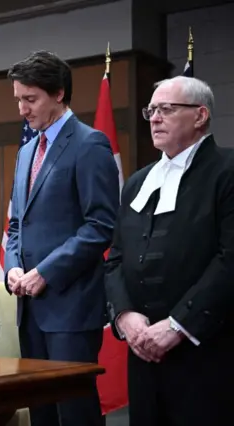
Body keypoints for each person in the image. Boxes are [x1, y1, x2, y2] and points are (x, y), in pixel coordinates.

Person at [105, 76, 233, 426]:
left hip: (204, 349)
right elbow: (116, 257)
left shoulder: (228, 171)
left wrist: (178, 326)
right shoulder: (137, 181)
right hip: (143, 349)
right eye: (151, 110)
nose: (155, 118)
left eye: (167, 109)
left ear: (200, 115)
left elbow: (230, 260)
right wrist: (125, 316)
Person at [4, 51, 119, 426]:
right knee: (41, 410)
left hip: (71, 308)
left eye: (30, 99)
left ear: (59, 93)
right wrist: (14, 266)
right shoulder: (25, 153)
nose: (22, 108)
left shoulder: (90, 144)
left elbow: (100, 225)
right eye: (18, 98)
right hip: (30, 309)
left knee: (75, 412)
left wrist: (45, 272)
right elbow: (17, 224)